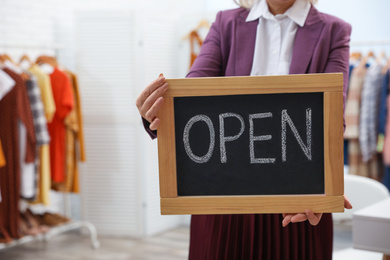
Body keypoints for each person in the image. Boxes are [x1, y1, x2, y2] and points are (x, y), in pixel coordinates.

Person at [136, 0, 353, 259]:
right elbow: (191, 101)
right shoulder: (225, 23)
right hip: (224, 205)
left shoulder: (334, 30)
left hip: (298, 205)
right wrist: (157, 114)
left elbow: (331, 120)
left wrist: (321, 191)